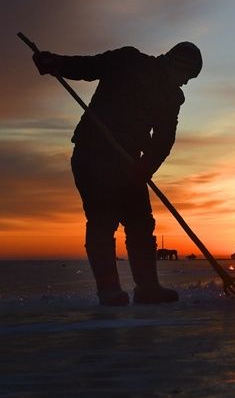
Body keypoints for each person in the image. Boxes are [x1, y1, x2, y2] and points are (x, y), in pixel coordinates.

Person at [32, 42, 202, 306]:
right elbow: (88, 67)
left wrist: (146, 167)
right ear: (176, 64)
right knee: (102, 220)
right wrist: (55, 63)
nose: (186, 83)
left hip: (129, 163)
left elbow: (164, 139)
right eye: (187, 77)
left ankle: (148, 288)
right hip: (93, 153)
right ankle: (109, 290)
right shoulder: (128, 60)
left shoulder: (171, 97)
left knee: (141, 223)